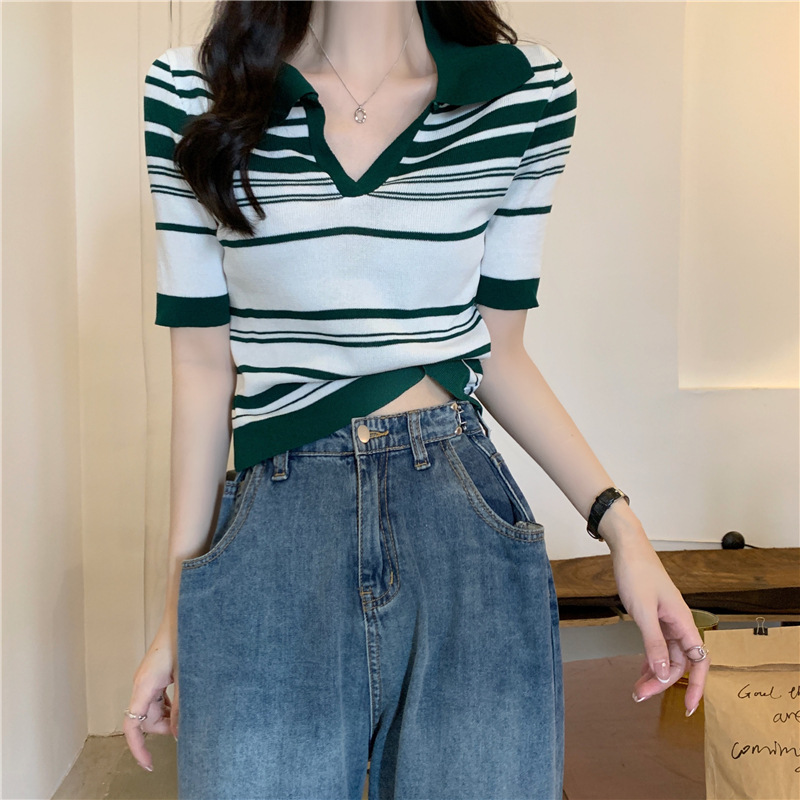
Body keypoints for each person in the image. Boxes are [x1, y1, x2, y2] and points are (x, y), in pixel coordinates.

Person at [125, 1, 709, 797]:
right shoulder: (193, 92)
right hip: (275, 531)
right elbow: (201, 365)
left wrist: (622, 528)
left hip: (460, 519)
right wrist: (178, 611)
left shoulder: (525, 94)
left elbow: (499, 352)